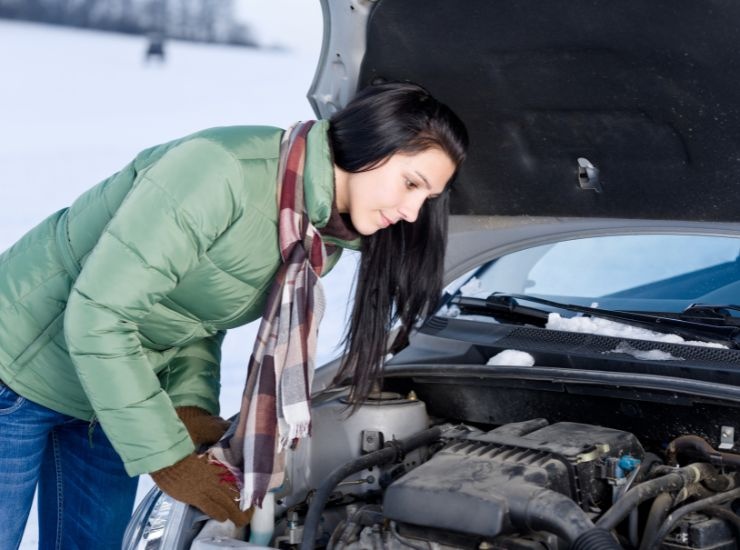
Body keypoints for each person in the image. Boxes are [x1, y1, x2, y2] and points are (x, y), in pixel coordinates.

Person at [0, 82, 468, 549]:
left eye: (426, 199)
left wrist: (188, 411)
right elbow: (98, 313)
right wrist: (167, 456)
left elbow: (197, 317)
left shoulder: (313, 235)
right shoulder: (221, 172)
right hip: (18, 364)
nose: (411, 212)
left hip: (110, 392)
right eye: (411, 183)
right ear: (372, 143)